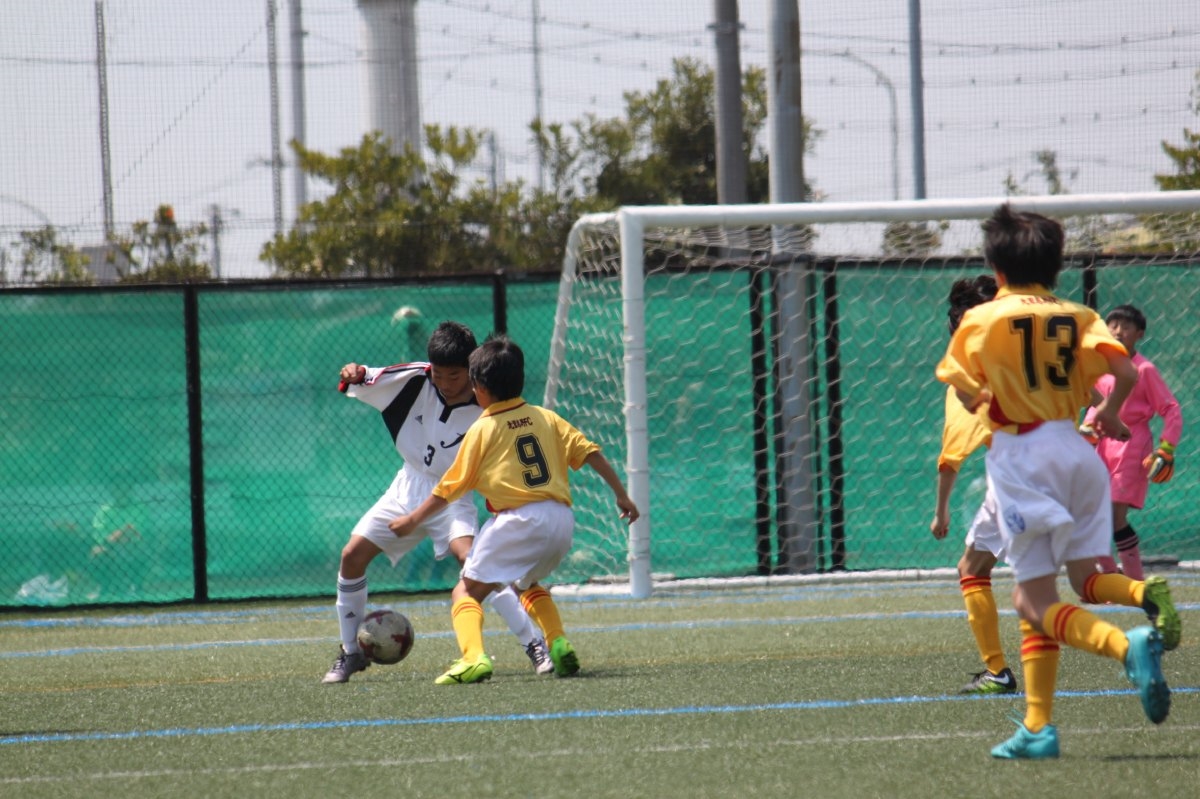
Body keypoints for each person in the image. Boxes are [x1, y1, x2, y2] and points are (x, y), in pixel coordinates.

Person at [937, 203, 1171, 760]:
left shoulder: (981, 319)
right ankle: (1037, 726)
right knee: (1070, 583)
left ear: (997, 269)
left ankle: (1125, 646)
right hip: (1079, 453)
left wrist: (989, 400)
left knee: (1031, 598)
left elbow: (962, 387)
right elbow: (1125, 371)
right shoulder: (1080, 314)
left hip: (1024, 456)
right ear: (1056, 267)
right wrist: (1107, 411)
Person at [389, 335, 639, 685]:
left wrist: (413, 518)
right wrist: (622, 495)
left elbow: (449, 487)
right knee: (527, 582)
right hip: (561, 521)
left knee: (465, 591)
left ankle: (473, 658)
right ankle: (558, 642)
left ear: (479, 388)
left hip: (517, 520)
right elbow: (590, 452)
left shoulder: (483, 428)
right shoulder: (546, 417)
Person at [322, 321, 553, 684]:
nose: (444, 382)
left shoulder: (488, 402)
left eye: (455, 375)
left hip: (454, 495)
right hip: (407, 486)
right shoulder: (414, 379)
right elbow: (365, 376)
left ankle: (534, 644)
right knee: (351, 555)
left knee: (478, 565)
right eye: (439, 374)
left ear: (471, 369)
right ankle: (351, 652)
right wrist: (353, 372)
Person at [930, 274, 1017, 695]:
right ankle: (1140, 596)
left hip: (1018, 478)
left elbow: (951, 458)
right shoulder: (1026, 350)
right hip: (1068, 465)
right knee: (1083, 578)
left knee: (983, 574)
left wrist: (941, 512)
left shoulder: (967, 372)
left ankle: (999, 673)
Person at [1081, 304, 1183, 585]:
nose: (1118, 331)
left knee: (1115, 516)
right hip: (1103, 444)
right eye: (1113, 325)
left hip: (1132, 445)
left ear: (1139, 334)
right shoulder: (1100, 367)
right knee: (1093, 515)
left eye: (1126, 326)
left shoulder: (1144, 369)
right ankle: (1112, 580)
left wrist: (1166, 448)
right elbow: (1096, 406)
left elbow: (1171, 408)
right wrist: (1088, 430)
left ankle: (1135, 584)